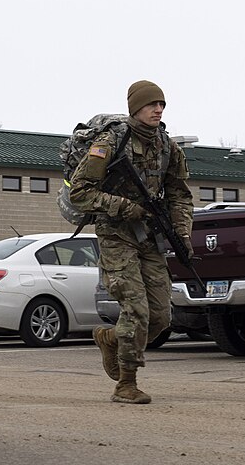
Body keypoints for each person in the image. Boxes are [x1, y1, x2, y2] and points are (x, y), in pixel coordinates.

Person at [68, 80, 192, 404]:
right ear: (135, 107)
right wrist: (124, 207)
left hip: (148, 236)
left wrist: (182, 233)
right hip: (116, 234)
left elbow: (180, 195)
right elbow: (79, 191)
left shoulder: (168, 147)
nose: (158, 110)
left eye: (162, 105)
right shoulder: (111, 141)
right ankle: (126, 383)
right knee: (135, 308)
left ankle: (110, 338)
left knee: (162, 316)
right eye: (152, 104)